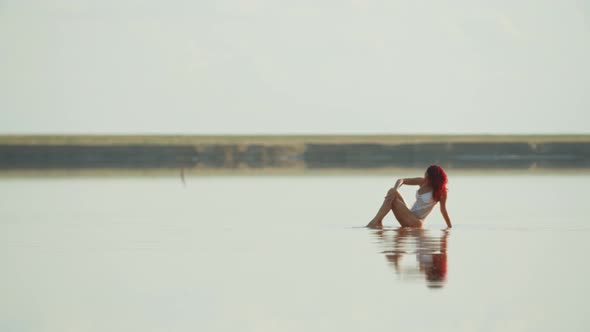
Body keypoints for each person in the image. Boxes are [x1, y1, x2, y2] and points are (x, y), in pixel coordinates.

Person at [366, 165, 452, 228]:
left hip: (416, 222)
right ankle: (378, 221)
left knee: (394, 199)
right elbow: (401, 180)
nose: (425, 175)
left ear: (432, 177)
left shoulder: (441, 192)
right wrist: (395, 189)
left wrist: (449, 227)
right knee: (392, 191)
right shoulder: (422, 182)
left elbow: (443, 210)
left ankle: (376, 221)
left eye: (427, 175)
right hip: (409, 214)